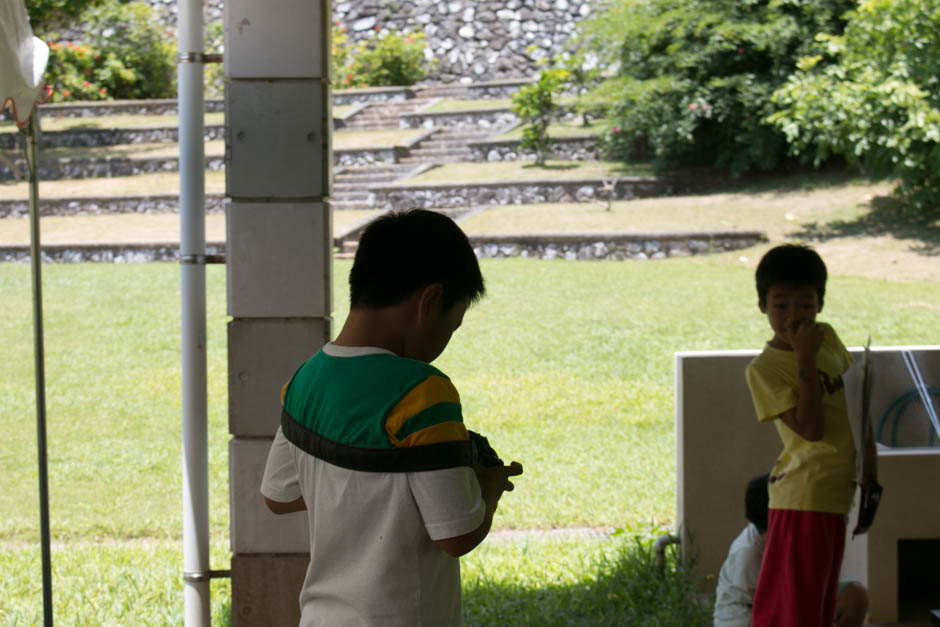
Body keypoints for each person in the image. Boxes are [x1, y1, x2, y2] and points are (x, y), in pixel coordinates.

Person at [260, 209, 524, 626]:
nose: (445, 342)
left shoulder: (305, 379)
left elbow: (279, 496)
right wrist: (487, 488)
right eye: (451, 327)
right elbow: (456, 533)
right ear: (430, 301)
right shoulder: (422, 393)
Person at [744, 244, 876, 627]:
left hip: (836, 494)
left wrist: (871, 467)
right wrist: (804, 359)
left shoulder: (828, 338)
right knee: (795, 613)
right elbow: (812, 429)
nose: (793, 316)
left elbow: (857, 402)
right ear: (762, 306)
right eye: (780, 305)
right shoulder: (764, 369)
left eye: (805, 304)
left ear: (820, 303)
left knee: (818, 608)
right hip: (803, 498)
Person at [714, 474, 870, 627]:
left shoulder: (792, 530)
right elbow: (768, 607)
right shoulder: (748, 553)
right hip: (745, 617)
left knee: (855, 597)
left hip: (791, 598)